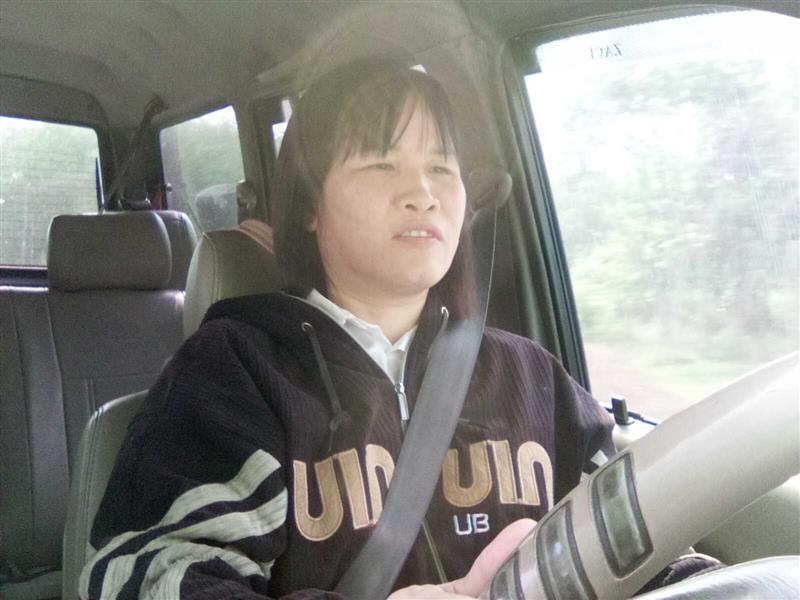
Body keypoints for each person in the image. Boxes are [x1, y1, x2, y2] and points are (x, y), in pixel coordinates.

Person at [80, 58, 616, 599]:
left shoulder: (528, 373)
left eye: (441, 168)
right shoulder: (232, 372)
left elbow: (633, 517)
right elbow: (149, 574)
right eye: (382, 164)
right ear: (310, 204)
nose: (422, 193)